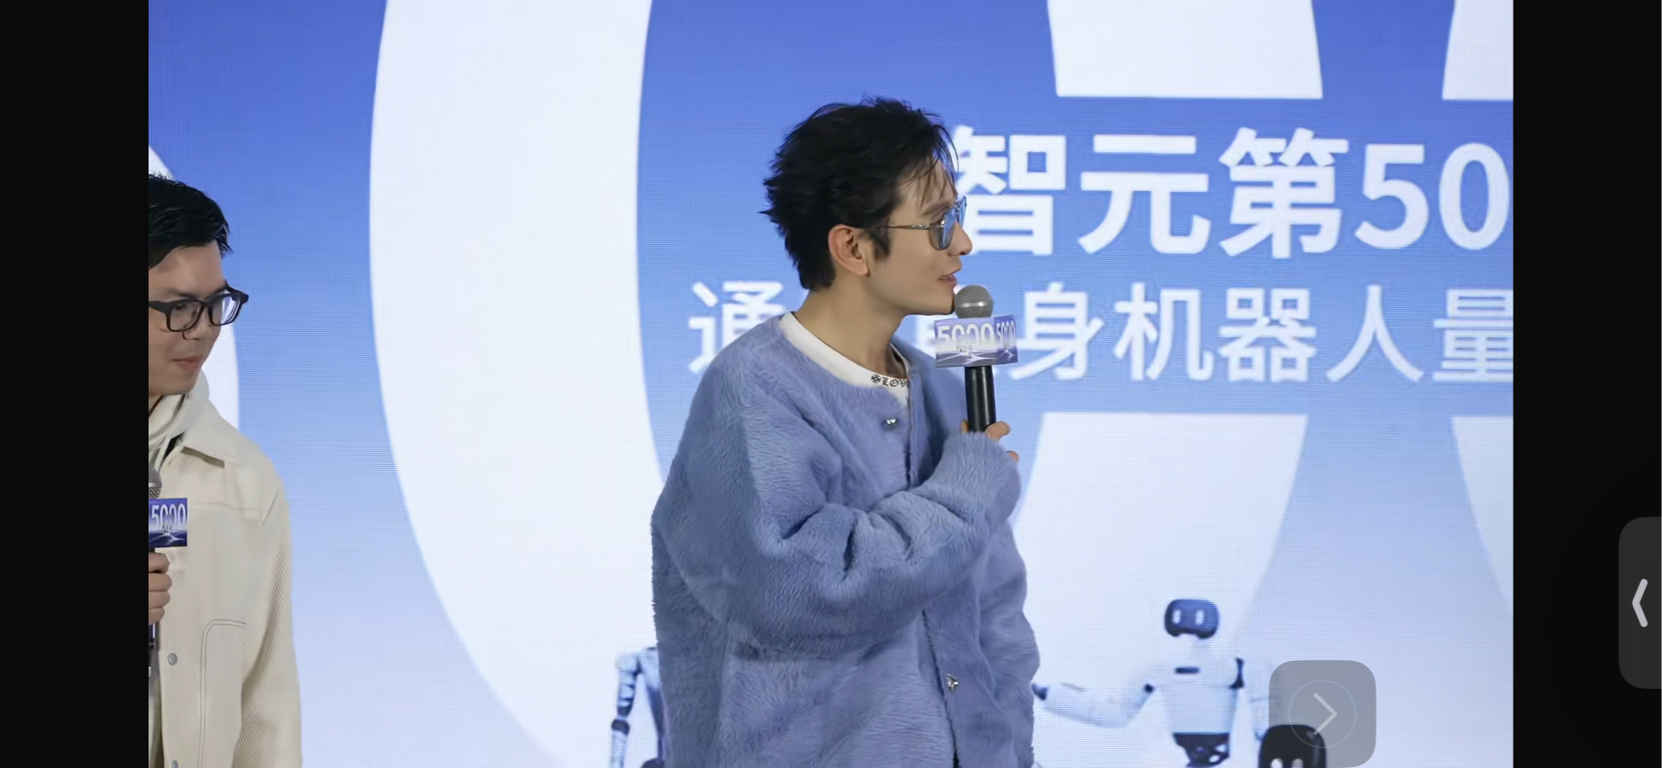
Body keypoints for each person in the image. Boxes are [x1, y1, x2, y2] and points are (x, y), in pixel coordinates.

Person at [650, 98, 1039, 768]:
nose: (963, 245)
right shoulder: (752, 390)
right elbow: (798, 592)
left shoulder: (944, 390)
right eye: (939, 224)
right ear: (853, 247)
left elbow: (995, 614)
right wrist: (963, 493)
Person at [149, 174, 302, 767]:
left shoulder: (245, 483)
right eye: (179, 308)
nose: (204, 330)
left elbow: (268, 706)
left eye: (216, 304)